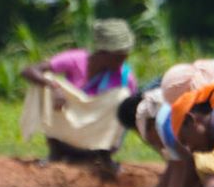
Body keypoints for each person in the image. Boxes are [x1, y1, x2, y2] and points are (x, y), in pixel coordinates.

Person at [21, 19, 138, 173]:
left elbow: (129, 116)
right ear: (103, 52)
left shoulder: (125, 78)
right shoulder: (76, 59)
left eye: (125, 54)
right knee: (47, 79)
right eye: (119, 55)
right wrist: (53, 87)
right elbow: (29, 71)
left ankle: (104, 156)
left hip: (95, 144)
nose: (123, 59)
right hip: (65, 138)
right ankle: (55, 152)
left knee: (123, 97)